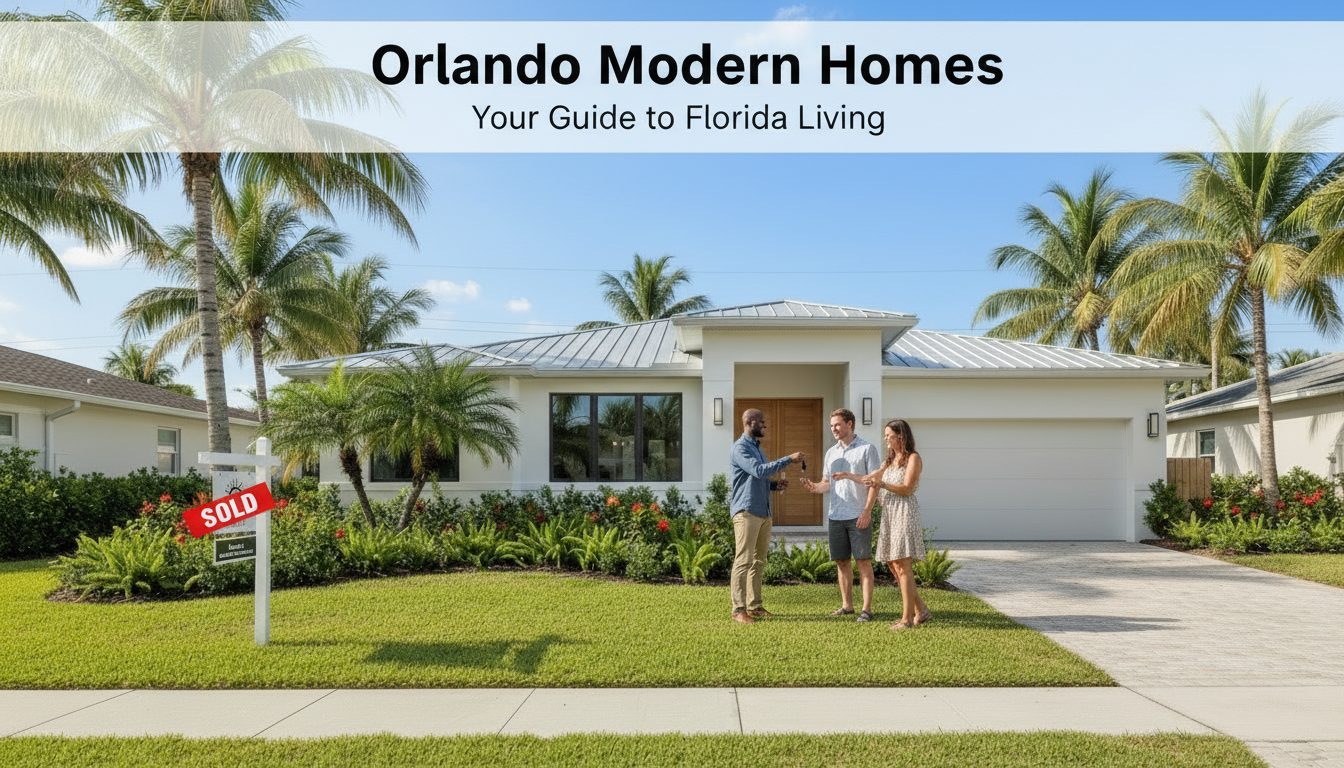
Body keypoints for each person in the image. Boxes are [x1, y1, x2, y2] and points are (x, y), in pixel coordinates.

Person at [801, 408, 881, 622]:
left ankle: (867, 609)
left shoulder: (867, 449)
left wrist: (867, 511)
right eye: (831, 426)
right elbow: (827, 483)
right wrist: (814, 487)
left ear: (850, 424)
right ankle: (847, 606)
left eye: (837, 424)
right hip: (836, 515)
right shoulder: (831, 452)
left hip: (858, 515)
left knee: (863, 562)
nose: (834, 429)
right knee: (842, 562)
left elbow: (874, 483)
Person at [729, 408, 804, 625]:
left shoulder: (757, 448)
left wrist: (773, 485)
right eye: (762, 422)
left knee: (759, 561)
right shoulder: (740, 448)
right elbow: (759, 471)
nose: (765, 426)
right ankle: (738, 610)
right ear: (750, 422)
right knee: (743, 560)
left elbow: (758, 478)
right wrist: (788, 459)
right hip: (747, 511)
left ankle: (755, 606)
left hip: (763, 511)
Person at [859, 418, 930, 631]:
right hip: (890, 514)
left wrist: (882, 483)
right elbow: (868, 479)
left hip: (905, 512)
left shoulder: (913, 458)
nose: (886, 439)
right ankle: (922, 610)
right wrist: (844, 475)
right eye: (885, 435)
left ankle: (907, 619)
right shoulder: (889, 461)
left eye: (889, 435)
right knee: (893, 564)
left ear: (901, 436)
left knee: (903, 565)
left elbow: (907, 488)